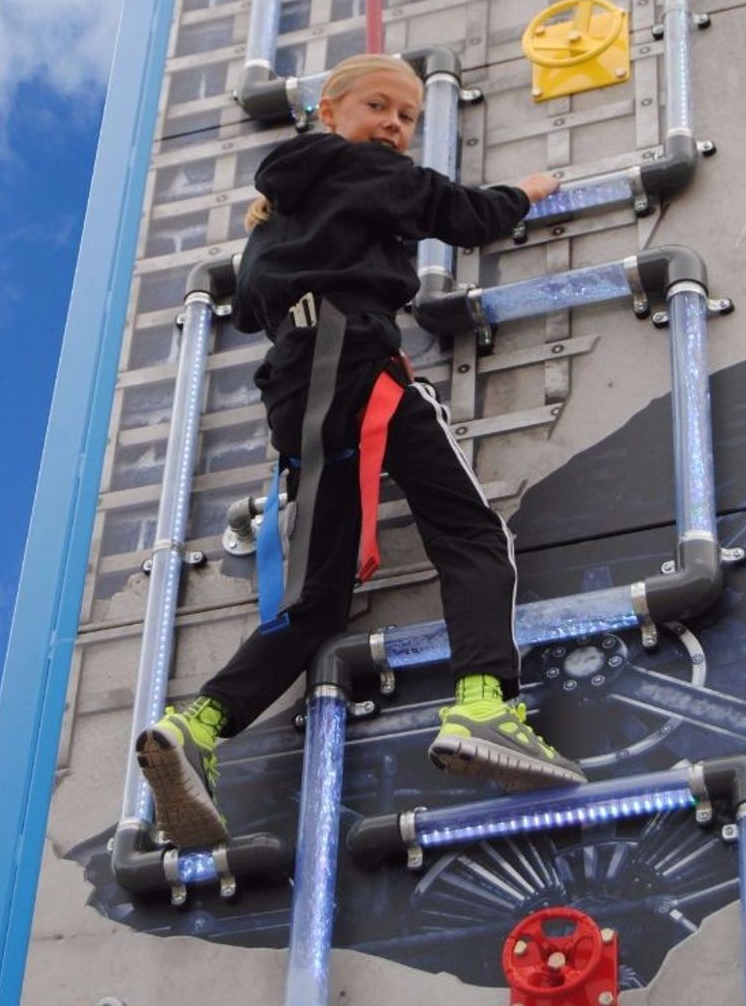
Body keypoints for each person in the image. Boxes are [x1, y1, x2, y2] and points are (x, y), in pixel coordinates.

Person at [136, 53, 586, 850]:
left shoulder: (278, 209)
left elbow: (248, 310)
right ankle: (485, 703)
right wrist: (530, 192)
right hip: (357, 360)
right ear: (329, 109)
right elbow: (469, 217)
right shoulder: (370, 168)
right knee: (472, 533)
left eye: (407, 117)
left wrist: (290, 223)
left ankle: (197, 724)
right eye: (380, 105)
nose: (394, 127)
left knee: (315, 604)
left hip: (295, 392)